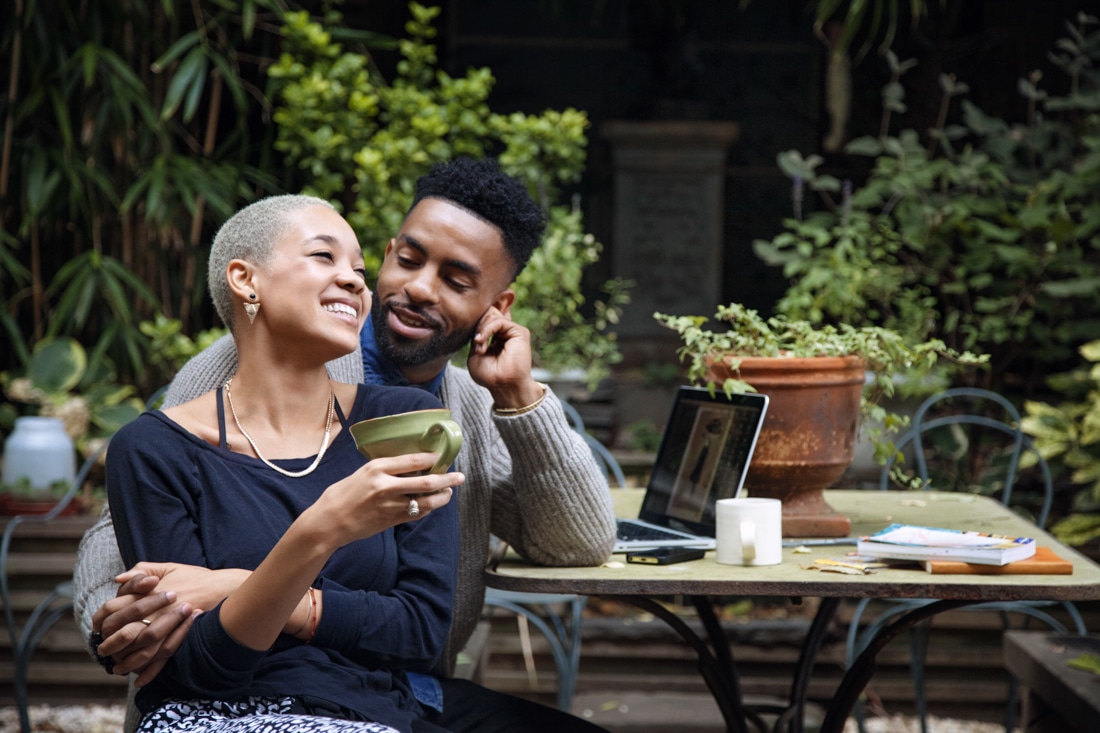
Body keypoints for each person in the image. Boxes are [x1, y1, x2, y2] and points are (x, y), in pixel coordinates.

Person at [74, 158, 617, 732]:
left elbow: (577, 543)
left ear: (496, 308)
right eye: (407, 260)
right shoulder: (246, 362)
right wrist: (122, 630)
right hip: (235, 692)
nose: (417, 288)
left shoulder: (457, 411)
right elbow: (129, 526)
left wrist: (518, 395)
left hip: (403, 683)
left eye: (456, 281)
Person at [101, 194, 465, 732]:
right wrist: (320, 531)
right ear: (246, 280)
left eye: (360, 271)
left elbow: (418, 631)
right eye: (324, 256)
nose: (355, 283)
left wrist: (230, 585)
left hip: (371, 712)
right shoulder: (155, 448)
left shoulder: (405, 422)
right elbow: (194, 669)